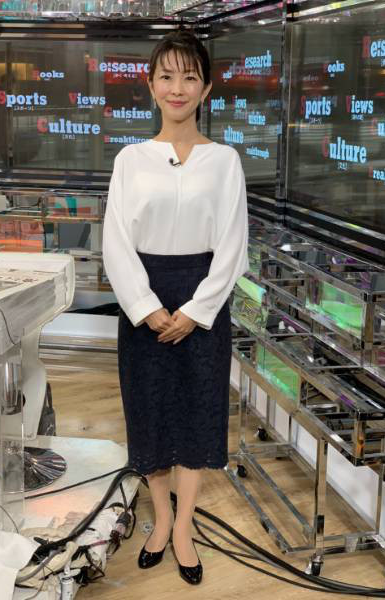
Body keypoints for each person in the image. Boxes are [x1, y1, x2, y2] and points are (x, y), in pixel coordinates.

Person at [102, 27, 249, 585]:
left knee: (196, 417)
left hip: (202, 301)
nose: (178, 88)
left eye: (190, 77)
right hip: (144, 301)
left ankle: (184, 526)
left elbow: (234, 246)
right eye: (167, 76)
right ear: (150, 85)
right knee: (151, 416)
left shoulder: (225, 161)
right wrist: (144, 306)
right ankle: (160, 519)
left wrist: (196, 311)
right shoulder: (131, 160)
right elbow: (115, 241)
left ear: (206, 88)